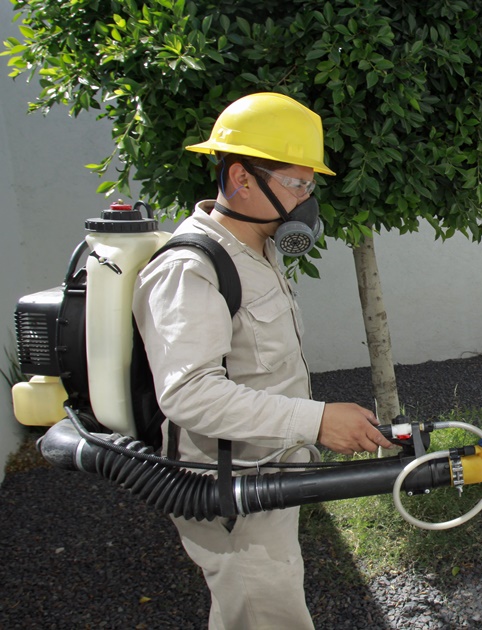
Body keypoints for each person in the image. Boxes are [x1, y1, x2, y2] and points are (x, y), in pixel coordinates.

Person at [132, 92, 394, 629]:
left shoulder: (259, 250)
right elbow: (189, 394)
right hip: (229, 489)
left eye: (311, 185)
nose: (307, 200)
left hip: (266, 473)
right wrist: (315, 419)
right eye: (298, 184)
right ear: (240, 178)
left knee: (243, 615)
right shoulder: (191, 267)